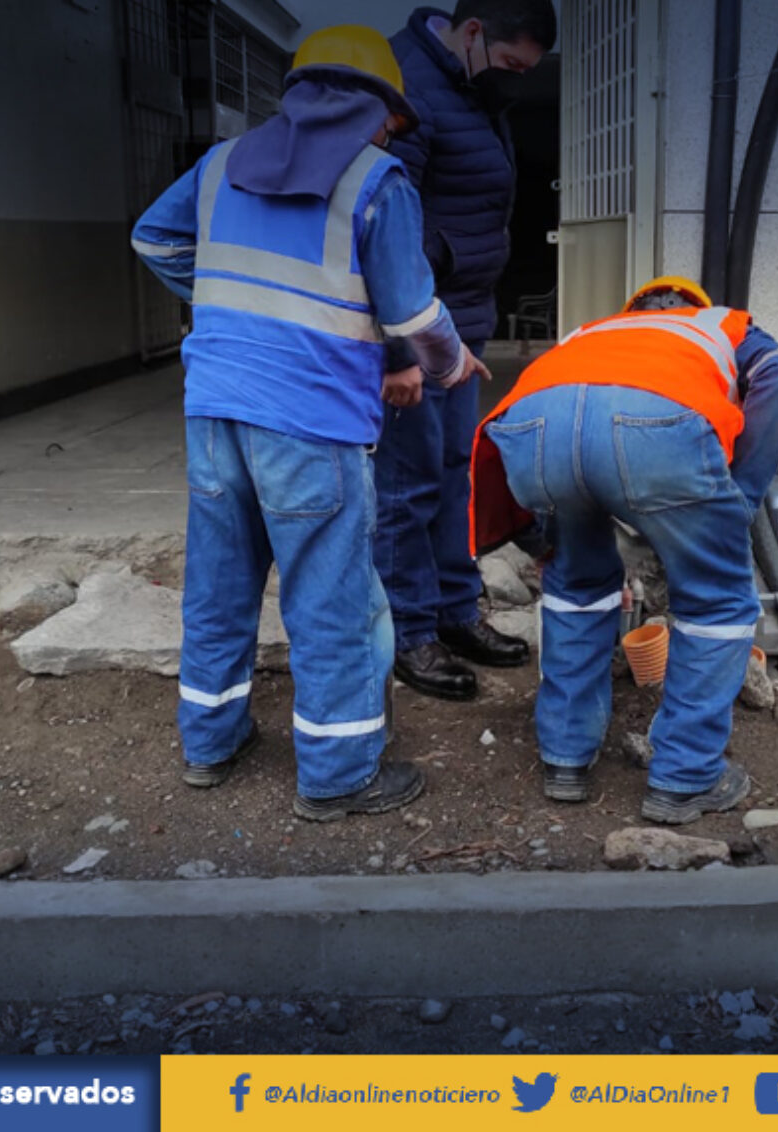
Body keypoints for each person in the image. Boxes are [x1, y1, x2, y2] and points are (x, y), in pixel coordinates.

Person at [131, 26, 485, 822]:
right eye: (394, 119)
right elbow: (412, 311)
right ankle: (338, 773)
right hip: (311, 421)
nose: (392, 133)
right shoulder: (377, 180)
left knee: (219, 588)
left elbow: (151, 238)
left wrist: (225, 305)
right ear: (382, 107)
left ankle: (209, 745)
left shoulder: (220, 164)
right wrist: (451, 364)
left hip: (215, 409)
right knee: (332, 598)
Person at [470, 277, 778, 824]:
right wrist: (738, 498)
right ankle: (685, 777)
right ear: (695, 306)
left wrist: (547, 539)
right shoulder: (722, 325)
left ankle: (565, 758)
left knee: (577, 586)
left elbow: (576, 422)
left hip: (533, 428)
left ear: (635, 310)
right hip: (654, 431)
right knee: (716, 603)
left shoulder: (594, 332)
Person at [375, 1, 557, 703]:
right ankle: (410, 630)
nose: (515, 80)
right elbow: (390, 225)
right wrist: (399, 346)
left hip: (463, 319)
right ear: (474, 31)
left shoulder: (471, 87)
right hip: (417, 324)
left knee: (453, 471)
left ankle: (456, 611)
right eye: (513, 65)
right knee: (407, 482)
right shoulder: (411, 84)